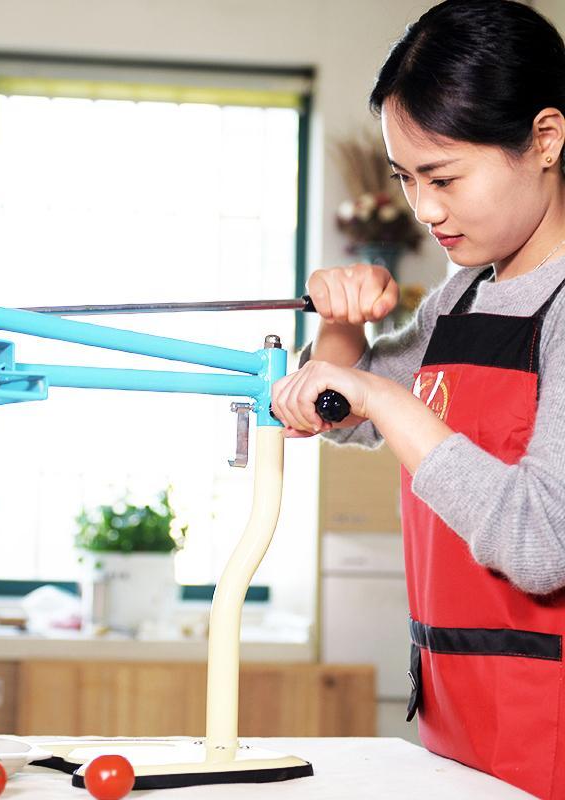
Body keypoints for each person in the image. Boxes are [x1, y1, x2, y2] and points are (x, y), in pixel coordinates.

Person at [270, 1, 565, 797]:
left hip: (550, 734)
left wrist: (372, 390)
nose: (424, 210)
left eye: (443, 177)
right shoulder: (463, 295)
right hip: (456, 720)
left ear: (545, 139)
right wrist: (339, 329)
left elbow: (542, 543)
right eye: (406, 178)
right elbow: (343, 418)